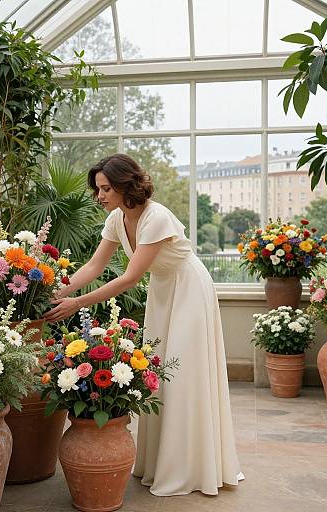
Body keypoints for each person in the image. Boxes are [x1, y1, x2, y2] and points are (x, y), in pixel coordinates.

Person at [44, 153, 243, 496]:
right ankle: (158, 462)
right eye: (98, 189)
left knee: (182, 376)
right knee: (162, 376)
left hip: (189, 288)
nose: (100, 196)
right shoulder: (117, 219)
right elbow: (93, 266)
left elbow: (129, 278)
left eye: (106, 188)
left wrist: (77, 303)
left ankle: (191, 468)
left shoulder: (156, 217)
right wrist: (59, 291)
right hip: (164, 291)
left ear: (125, 186)